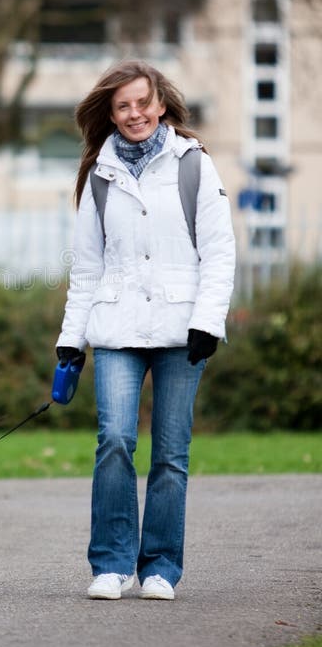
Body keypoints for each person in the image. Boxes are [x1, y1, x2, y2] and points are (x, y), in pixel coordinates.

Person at [56, 59, 235, 601]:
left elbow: (220, 253)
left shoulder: (194, 166)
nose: (134, 113)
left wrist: (207, 321)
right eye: (122, 106)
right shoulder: (100, 177)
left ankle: (160, 568)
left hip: (183, 329)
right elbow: (86, 267)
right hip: (116, 328)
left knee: (171, 453)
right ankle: (110, 564)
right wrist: (71, 338)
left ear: (161, 105)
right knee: (114, 441)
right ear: (111, 114)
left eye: (142, 102)